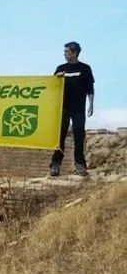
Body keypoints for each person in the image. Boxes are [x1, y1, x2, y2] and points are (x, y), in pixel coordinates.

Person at [51, 41, 95, 177]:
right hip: (63, 109)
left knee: (79, 137)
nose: (64, 54)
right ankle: (55, 166)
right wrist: (57, 79)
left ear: (74, 53)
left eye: (67, 52)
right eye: (64, 52)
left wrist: (91, 105)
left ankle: (80, 166)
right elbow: (52, 88)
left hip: (78, 110)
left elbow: (90, 89)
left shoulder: (85, 68)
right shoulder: (60, 68)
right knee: (60, 138)